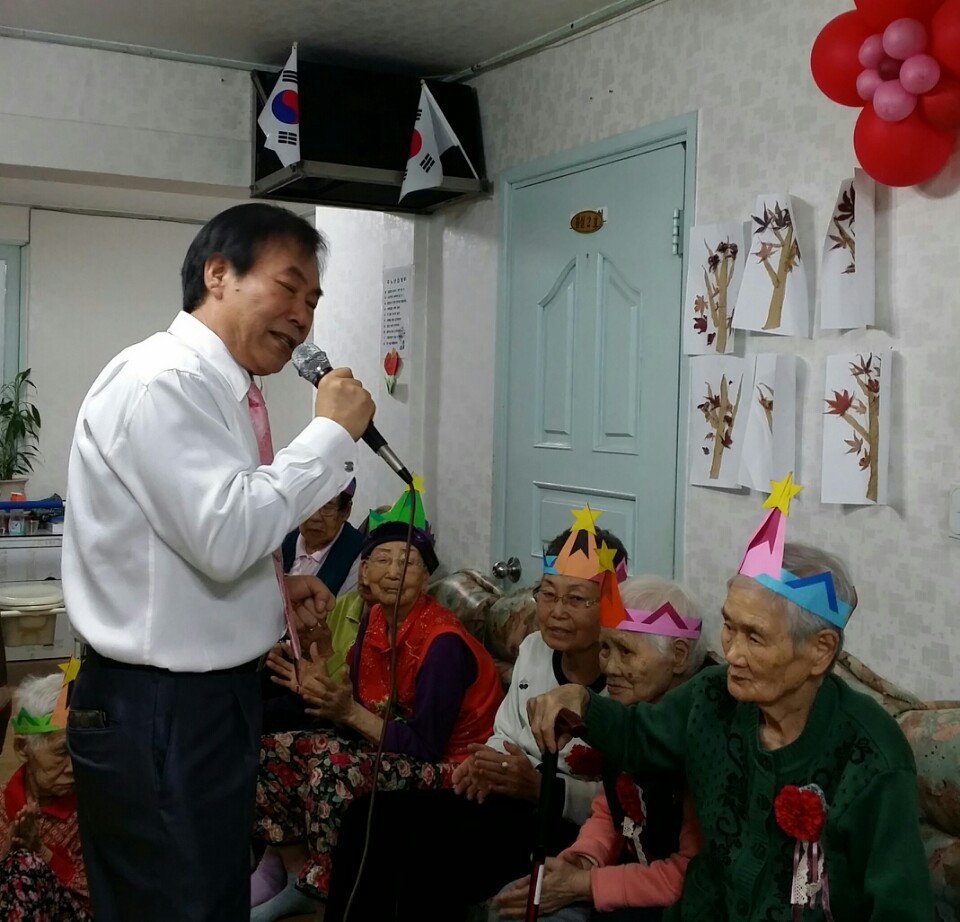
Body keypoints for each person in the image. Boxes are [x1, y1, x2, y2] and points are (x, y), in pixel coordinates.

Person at [61, 202, 376, 922]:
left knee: (205, 898)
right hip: (159, 707)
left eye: (313, 301)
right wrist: (328, 436)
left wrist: (274, 587)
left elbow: (189, 541)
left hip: (202, 704)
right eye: (288, 287)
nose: (302, 317)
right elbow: (225, 533)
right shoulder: (162, 380)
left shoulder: (225, 389)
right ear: (218, 275)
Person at [528, 477, 935, 921]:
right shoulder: (711, 694)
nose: (733, 654)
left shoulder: (871, 753)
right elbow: (638, 735)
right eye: (729, 627)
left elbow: (902, 907)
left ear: (820, 650)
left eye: (754, 637)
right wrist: (582, 701)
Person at [323, 506, 629, 922]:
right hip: (509, 799)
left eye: (576, 599)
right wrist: (485, 763)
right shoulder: (534, 648)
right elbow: (505, 731)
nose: (557, 611)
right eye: (548, 594)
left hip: (566, 822)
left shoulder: (625, 679)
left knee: (433, 859)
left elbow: (623, 800)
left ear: (609, 604)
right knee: (369, 818)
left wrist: (539, 788)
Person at [251, 483, 504, 920]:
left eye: (409, 563)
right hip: (385, 747)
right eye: (382, 560)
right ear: (364, 571)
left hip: (455, 769)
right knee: (268, 750)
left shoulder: (442, 643)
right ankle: (294, 873)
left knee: (333, 764)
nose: (394, 572)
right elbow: (359, 702)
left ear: (427, 577)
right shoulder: (371, 619)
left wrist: (346, 711)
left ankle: (328, 890)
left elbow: (426, 747)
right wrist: (319, 676)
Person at [492, 575, 705, 922]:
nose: (610, 667)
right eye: (605, 648)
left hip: (670, 903)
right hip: (620, 878)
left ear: (678, 656)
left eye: (626, 651)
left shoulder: (702, 734)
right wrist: (581, 859)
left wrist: (583, 884)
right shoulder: (627, 712)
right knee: (510, 904)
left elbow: (689, 875)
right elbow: (610, 809)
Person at [0, 673, 90, 920]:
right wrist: (7, 857)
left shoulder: (94, 811)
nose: (73, 766)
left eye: (80, 751)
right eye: (62, 752)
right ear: (23, 748)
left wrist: (40, 851)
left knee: (24, 864)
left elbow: (99, 899)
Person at [281, 477, 363, 596]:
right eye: (308, 503)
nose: (314, 516)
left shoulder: (359, 557)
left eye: (327, 506)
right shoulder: (281, 534)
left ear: (346, 511)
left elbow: (341, 606)